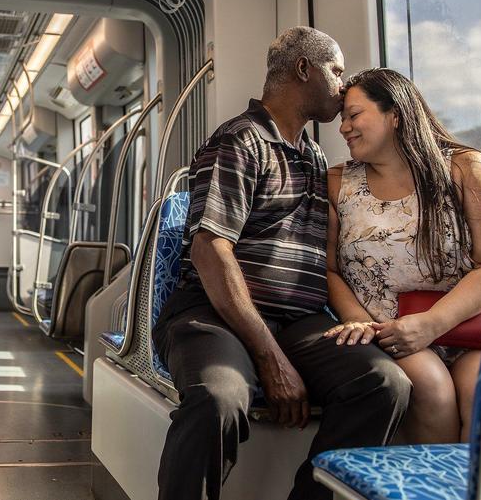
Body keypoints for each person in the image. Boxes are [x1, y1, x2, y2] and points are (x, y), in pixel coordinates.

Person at [153, 28, 412, 500]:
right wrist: (270, 357)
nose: (343, 81)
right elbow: (211, 251)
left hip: (298, 321)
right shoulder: (240, 141)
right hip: (213, 315)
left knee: (384, 383)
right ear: (303, 70)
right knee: (218, 399)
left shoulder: (313, 156)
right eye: (336, 70)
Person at [323, 68, 481, 443]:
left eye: (353, 115)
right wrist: (359, 321)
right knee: (431, 389)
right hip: (391, 332)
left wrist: (431, 324)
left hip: (465, 323)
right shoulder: (335, 183)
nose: (343, 128)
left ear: (395, 114)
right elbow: (328, 269)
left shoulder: (465, 167)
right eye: (342, 119)